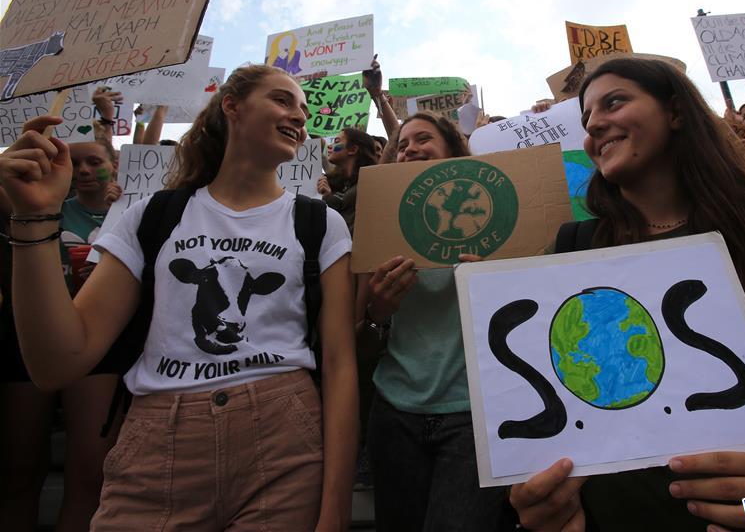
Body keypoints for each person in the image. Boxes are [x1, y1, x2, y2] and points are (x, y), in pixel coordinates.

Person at [509, 57, 745, 531]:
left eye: (613, 102)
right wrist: (542, 509)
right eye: (587, 119)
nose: (594, 126)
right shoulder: (568, 251)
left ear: (676, 111)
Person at [0, 64, 358, 530]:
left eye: (304, 110)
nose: (299, 117)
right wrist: (34, 217)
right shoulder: (151, 216)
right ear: (232, 105)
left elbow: (339, 366)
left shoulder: (319, 222)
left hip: (284, 441)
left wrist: (334, 512)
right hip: (157, 445)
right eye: (283, 100)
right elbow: (57, 363)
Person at [359, 111, 515, 531]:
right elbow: (358, 332)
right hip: (394, 415)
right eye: (402, 144)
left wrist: (499, 280)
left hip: (474, 418)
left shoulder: (498, 223)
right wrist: (378, 311)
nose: (409, 148)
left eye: (422, 139)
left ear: (452, 150)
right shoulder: (378, 226)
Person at [1, 130, 122, 531]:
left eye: (95, 161)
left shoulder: (135, 212)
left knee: (90, 475)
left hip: (99, 347)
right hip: (26, 344)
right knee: (18, 468)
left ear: (115, 165)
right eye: (77, 162)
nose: (85, 170)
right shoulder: (36, 205)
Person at [316, 127, 378, 235]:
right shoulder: (329, 182)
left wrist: (328, 198)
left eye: (337, 141)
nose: (330, 146)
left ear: (353, 149)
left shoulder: (370, 184)